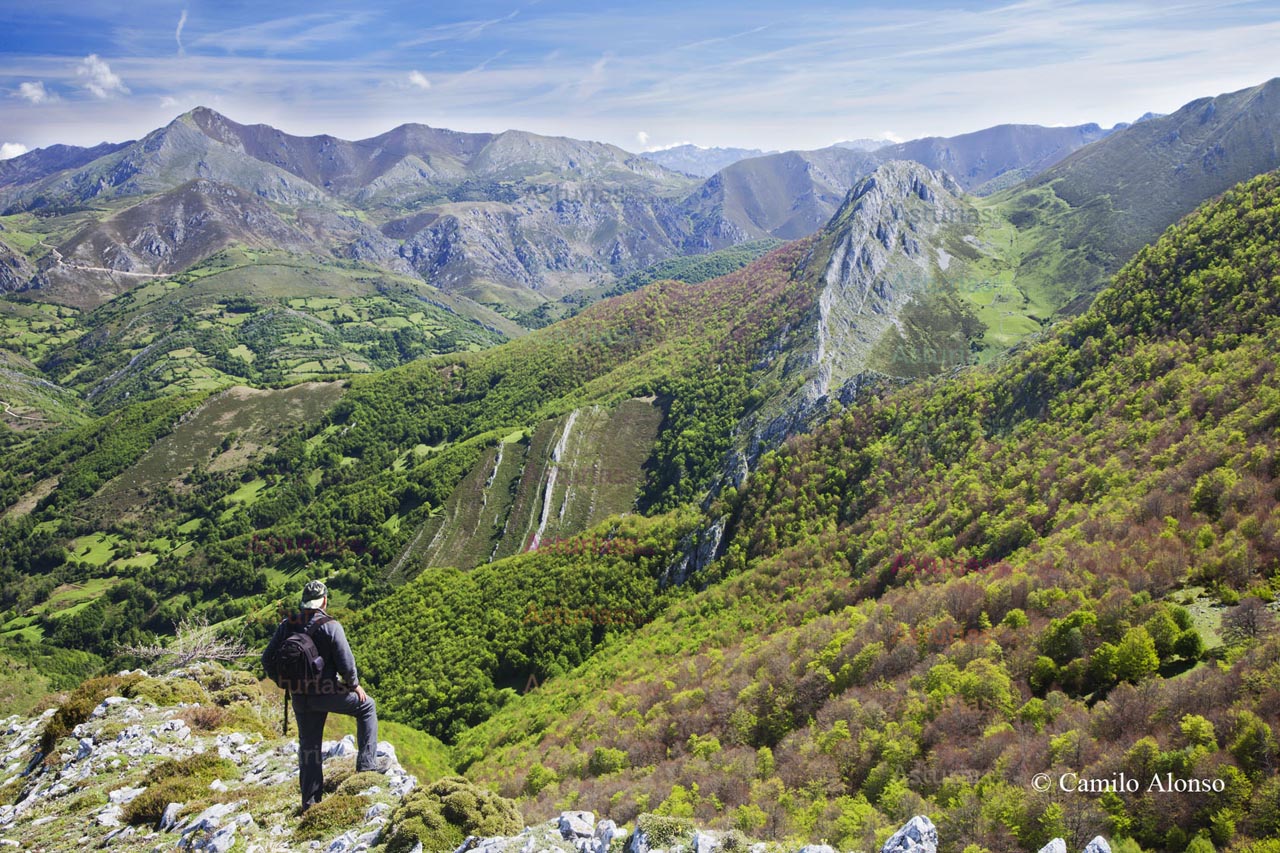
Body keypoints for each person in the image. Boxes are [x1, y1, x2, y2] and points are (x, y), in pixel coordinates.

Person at [262, 579, 379, 811]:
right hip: (327, 691)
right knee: (367, 707)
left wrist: (285, 683)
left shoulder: (287, 625)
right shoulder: (330, 625)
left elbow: (267, 659)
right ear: (324, 600)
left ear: (304, 601)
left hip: (299, 696)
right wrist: (354, 685)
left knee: (309, 747)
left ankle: (310, 803)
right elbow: (346, 663)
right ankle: (367, 768)